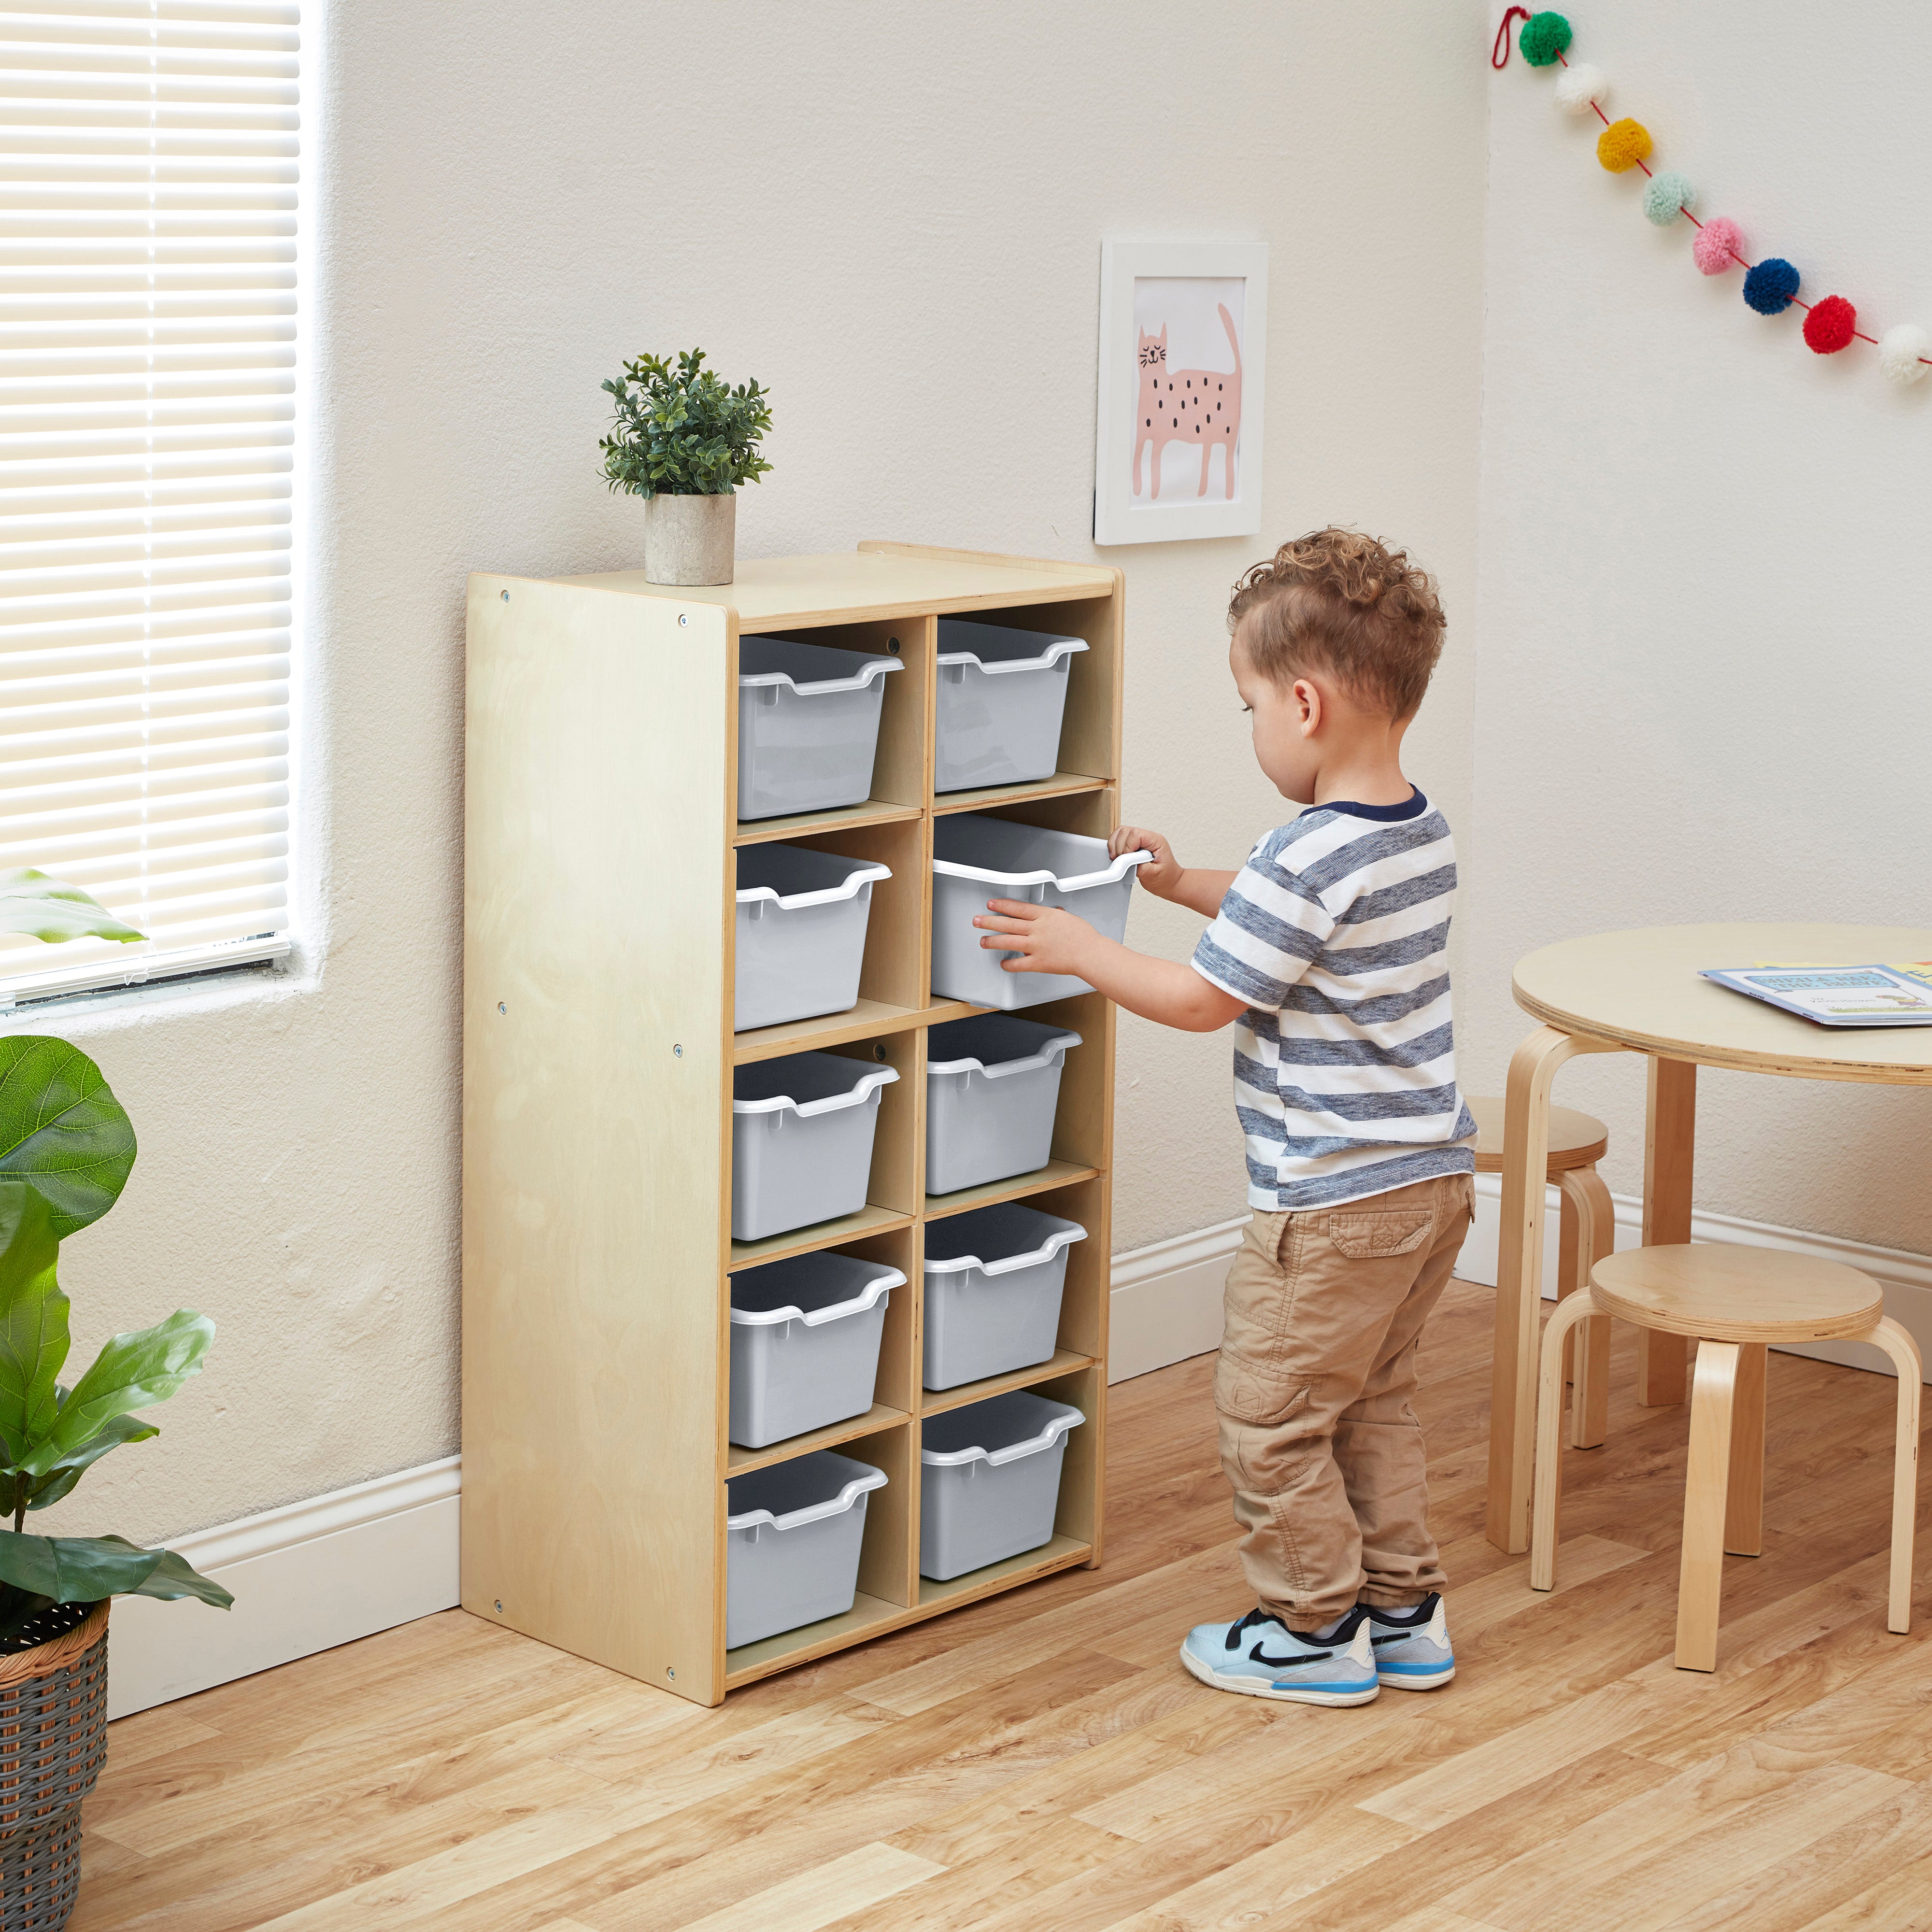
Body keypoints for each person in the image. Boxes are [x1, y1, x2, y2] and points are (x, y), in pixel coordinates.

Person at [975, 527, 1474, 1706]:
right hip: (1429, 1183)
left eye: (1249, 703)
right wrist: (1178, 877)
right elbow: (1280, 920)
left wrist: (1084, 946)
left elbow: (1205, 997)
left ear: (1301, 703)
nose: (1250, 725)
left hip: (1330, 1205)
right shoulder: (1409, 830)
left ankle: (1310, 1630)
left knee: (1272, 1418)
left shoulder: (1306, 859)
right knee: (1371, 1402)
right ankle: (1402, 1611)